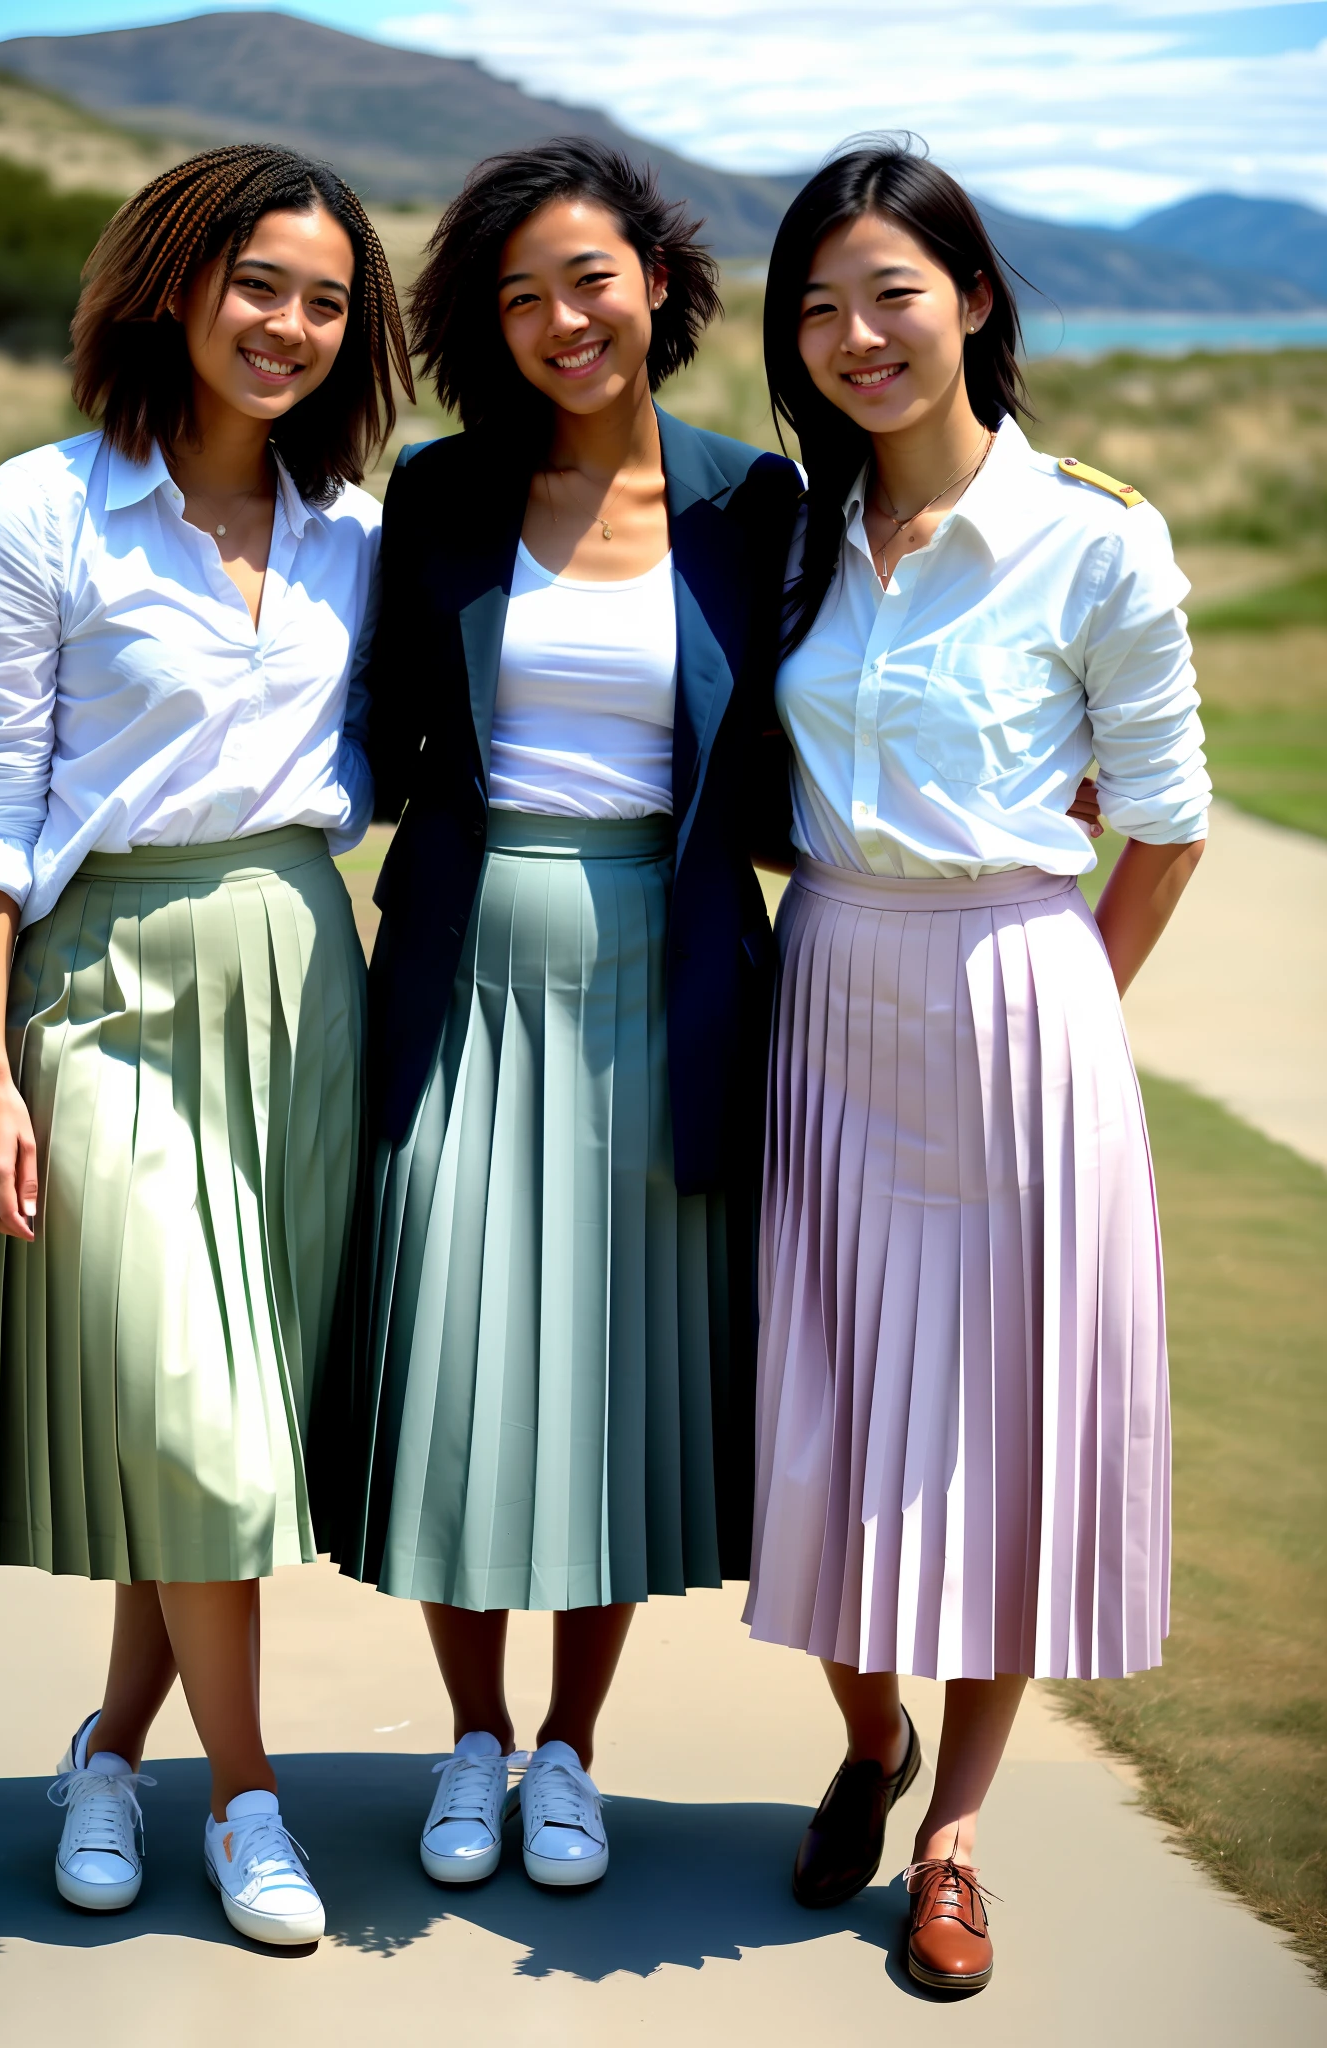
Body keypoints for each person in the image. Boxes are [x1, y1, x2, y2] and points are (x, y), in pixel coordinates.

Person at [0, 143, 412, 1945]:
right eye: (256, 283)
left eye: (326, 298)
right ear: (175, 286)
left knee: (201, 1409)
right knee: (196, 1421)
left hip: (299, 980)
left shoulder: (361, 529)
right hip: (107, 991)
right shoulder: (43, 510)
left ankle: (111, 1750)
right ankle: (250, 1799)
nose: (288, 323)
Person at [745, 141, 1209, 1993]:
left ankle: (953, 1841)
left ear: (975, 301)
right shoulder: (787, 534)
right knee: (830, 1400)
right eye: (819, 307)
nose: (856, 336)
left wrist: (1069, 1012)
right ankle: (872, 1741)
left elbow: (1164, 824)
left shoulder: (1098, 532)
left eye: (892, 295)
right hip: (833, 982)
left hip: (1022, 1010)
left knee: (1000, 1436)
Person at [338, 138, 801, 1889]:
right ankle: (469, 1743)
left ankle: (571, 1757)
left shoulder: (751, 503)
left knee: (610, 1368)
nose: (559, 319)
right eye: (519, 296)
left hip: (669, 974)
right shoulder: (444, 495)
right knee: (466, 1364)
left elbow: (783, 763)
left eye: (587, 281)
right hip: (467, 956)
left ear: (659, 285)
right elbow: (375, 732)